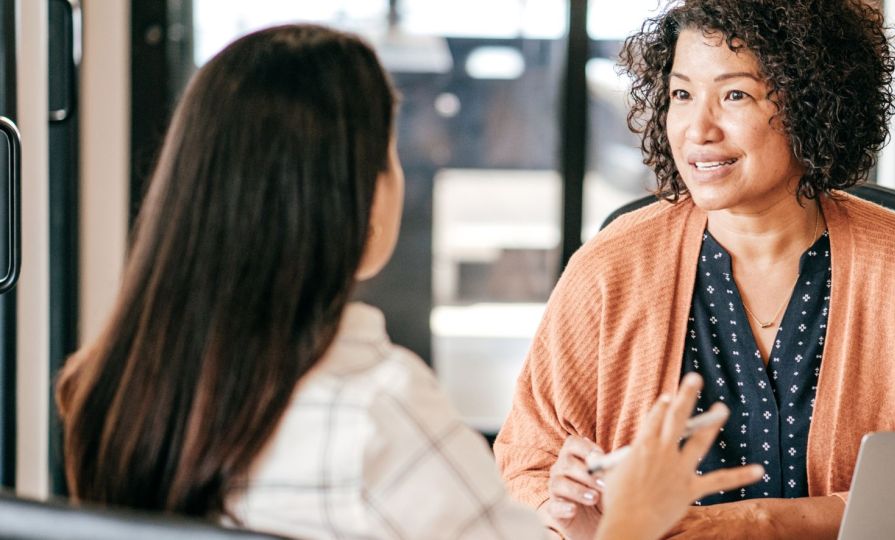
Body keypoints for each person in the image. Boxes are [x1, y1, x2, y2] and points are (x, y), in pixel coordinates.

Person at [54, 24, 761, 540]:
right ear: (356, 199)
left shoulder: (109, 390)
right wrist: (634, 518)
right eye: (389, 154)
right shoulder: (377, 410)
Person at [494, 1, 895, 538]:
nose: (698, 130)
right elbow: (526, 467)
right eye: (681, 94)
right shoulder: (610, 267)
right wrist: (566, 512)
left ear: (812, 103)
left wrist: (759, 522)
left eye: (734, 95)